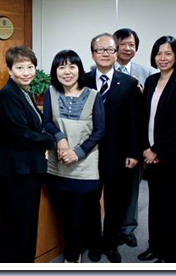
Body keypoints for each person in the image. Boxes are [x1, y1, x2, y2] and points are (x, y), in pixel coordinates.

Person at [0, 46, 55, 262]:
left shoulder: (24, 92)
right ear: (9, 70)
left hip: (26, 170)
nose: (26, 72)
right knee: (15, 230)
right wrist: (51, 140)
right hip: (16, 174)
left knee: (26, 226)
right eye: (20, 67)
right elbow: (21, 134)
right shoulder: (8, 95)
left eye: (30, 67)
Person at [44, 50, 105, 263]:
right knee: (65, 213)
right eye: (61, 67)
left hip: (84, 165)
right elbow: (47, 123)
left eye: (72, 66)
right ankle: (76, 249)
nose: (67, 71)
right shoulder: (50, 92)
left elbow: (99, 131)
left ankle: (72, 257)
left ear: (80, 70)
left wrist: (77, 153)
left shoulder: (93, 95)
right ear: (55, 71)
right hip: (58, 165)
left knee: (79, 213)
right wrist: (60, 139)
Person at [137, 36, 176, 263]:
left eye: (168, 53)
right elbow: (143, 117)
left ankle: (170, 253)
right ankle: (155, 245)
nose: (163, 58)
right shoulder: (150, 81)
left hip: (172, 156)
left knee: (173, 206)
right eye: (159, 53)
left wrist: (156, 150)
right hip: (151, 155)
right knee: (156, 204)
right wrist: (145, 149)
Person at [85, 33, 140, 263]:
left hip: (118, 155)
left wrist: (133, 152)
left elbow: (135, 121)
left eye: (110, 50)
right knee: (89, 201)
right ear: (92, 54)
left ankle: (110, 243)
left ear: (116, 54)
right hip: (89, 155)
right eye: (100, 50)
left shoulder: (128, 83)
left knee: (115, 202)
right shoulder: (83, 80)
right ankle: (93, 243)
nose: (105, 54)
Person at [112, 28, 153, 249]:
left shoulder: (146, 73)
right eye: (124, 44)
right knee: (108, 187)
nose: (128, 48)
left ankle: (127, 228)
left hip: (134, 139)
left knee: (132, 187)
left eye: (132, 45)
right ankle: (109, 227)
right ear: (114, 46)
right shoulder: (99, 69)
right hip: (108, 141)